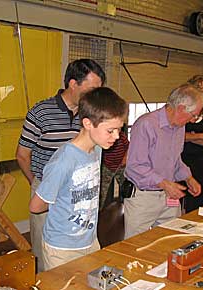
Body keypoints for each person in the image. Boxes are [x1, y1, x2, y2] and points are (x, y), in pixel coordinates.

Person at [16, 59, 105, 271]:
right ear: (73, 84)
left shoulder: (91, 115)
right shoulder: (41, 112)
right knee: (45, 254)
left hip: (77, 194)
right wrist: (39, 184)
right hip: (47, 189)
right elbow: (22, 155)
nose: (96, 95)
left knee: (79, 251)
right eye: (92, 89)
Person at [28, 87, 128, 270]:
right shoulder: (64, 160)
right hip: (62, 248)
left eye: (119, 130)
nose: (117, 137)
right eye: (111, 131)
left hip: (89, 241)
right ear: (88, 123)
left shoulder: (97, 149)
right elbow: (36, 206)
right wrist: (63, 202)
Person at [124, 84, 203, 239]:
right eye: (194, 115)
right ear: (181, 108)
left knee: (171, 240)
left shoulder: (179, 128)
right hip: (144, 198)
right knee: (134, 246)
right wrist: (164, 183)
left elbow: (175, 160)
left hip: (169, 196)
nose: (194, 120)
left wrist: (188, 178)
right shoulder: (146, 125)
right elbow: (135, 166)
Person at [181, 75, 203, 213]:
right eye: (198, 88)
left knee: (194, 197)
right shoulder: (183, 109)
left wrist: (189, 137)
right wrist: (199, 135)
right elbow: (177, 137)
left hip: (198, 160)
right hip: (180, 156)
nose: (202, 91)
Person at [99, 128, 129, 209]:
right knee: (102, 191)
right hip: (107, 167)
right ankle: (99, 210)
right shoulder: (103, 137)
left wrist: (124, 159)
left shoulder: (122, 137)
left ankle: (126, 205)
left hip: (121, 166)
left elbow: (128, 147)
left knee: (126, 187)